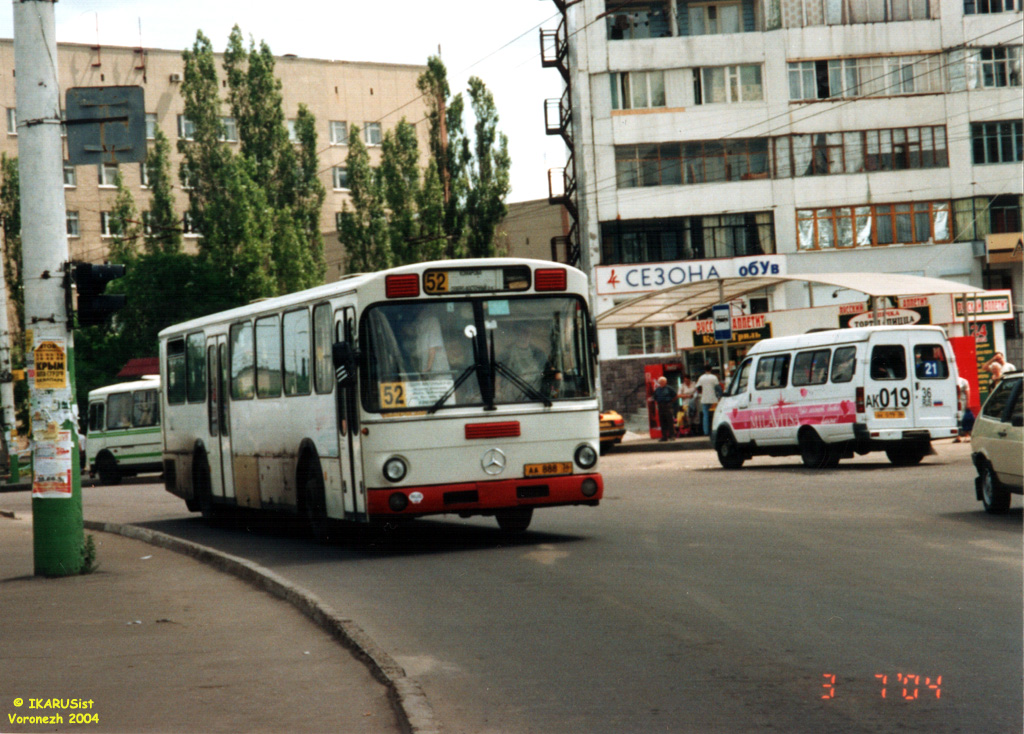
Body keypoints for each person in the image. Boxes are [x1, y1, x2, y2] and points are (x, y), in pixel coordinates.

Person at [415, 310, 450, 375]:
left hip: (438, 371)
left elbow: (433, 346)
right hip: (426, 373)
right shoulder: (419, 325)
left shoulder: (432, 321)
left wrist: (429, 366)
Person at [695, 364, 721, 438]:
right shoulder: (714, 377)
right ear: (711, 369)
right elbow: (717, 387)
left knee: (705, 416)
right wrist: (719, 396)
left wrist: (701, 392)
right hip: (714, 399)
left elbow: (697, 387)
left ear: (704, 369)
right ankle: (715, 429)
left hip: (704, 399)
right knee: (715, 415)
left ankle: (706, 431)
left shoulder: (701, 377)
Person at [652, 376, 677, 441]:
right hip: (660, 406)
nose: (662, 383)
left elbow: (675, 395)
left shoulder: (669, 388)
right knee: (662, 422)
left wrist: (671, 401)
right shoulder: (657, 390)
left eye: (663, 382)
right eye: (660, 382)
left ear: (665, 382)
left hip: (668, 405)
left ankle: (672, 436)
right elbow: (655, 397)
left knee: (670, 421)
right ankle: (664, 436)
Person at [955, 374, 974, 443]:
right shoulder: (950, 380)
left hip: (962, 401)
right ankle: (958, 436)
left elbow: (967, 392)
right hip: (954, 402)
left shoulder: (963, 381)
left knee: (963, 418)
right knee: (956, 419)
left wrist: (968, 403)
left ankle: (967, 435)